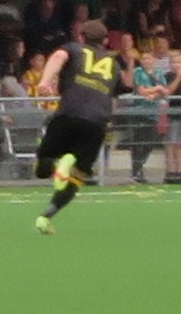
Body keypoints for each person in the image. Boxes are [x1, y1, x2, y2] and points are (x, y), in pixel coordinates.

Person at [29, 15, 121, 235]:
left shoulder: (74, 48)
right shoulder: (115, 65)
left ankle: (58, 164)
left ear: (81, 37)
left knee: (41, 168)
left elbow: (58, 56)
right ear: (105, 41)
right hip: (97, 123)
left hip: (68, 114)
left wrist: (45, 81)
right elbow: (114, 97)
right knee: (77, 177)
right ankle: (46, 216)